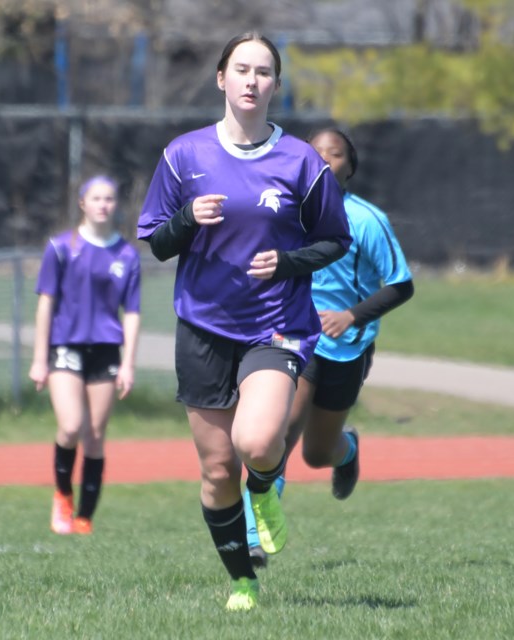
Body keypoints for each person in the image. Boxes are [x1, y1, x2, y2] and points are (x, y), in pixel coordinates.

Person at [137, 33, 351, 611]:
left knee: (256, 443)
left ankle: (265, 488)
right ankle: (242, 580)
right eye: (242, 70)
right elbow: (157, 243)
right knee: (215, 469)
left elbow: (335, 239)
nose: (252, 81)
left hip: (275, 324)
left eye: (263, 72)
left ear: (275, 86)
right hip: (204, 326)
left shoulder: (302, 160)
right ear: (221, 79)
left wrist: (287, 261)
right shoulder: (184, 155)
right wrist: (186, 219)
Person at [245, 127, 415, 568]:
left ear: (349, 167)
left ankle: (349, 450)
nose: (323, 159)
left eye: (335, 154)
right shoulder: (286, 214)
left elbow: (401, 285)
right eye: (315, 152)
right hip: (295, 338)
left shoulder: (365, 220)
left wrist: (351, 316)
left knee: (317, 454)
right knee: (280, 430)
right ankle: (253, 537)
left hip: (347, 346)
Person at [30, 175, 141, 536]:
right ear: (83, 203)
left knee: (95, 435)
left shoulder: (126, 254)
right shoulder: (61, 247)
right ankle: (62, 493)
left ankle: (85, 517)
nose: (103, 205)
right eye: (96, 198)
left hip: (106, 349)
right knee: (71, 426)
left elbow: (133, 313)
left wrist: (128, 363)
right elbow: (46, 302)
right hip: (66, 345)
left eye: (109, 198)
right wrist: (38, 357)